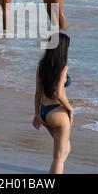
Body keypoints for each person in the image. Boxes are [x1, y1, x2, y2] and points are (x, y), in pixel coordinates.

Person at [32, 32, 73, 174]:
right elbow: (58, 93)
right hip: (58, 112)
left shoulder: (41, 66)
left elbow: (38, 92)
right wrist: (70, 108)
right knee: (59, 157)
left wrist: (37, 114)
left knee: (66, 149)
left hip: (44, 112)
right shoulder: (63, 67)